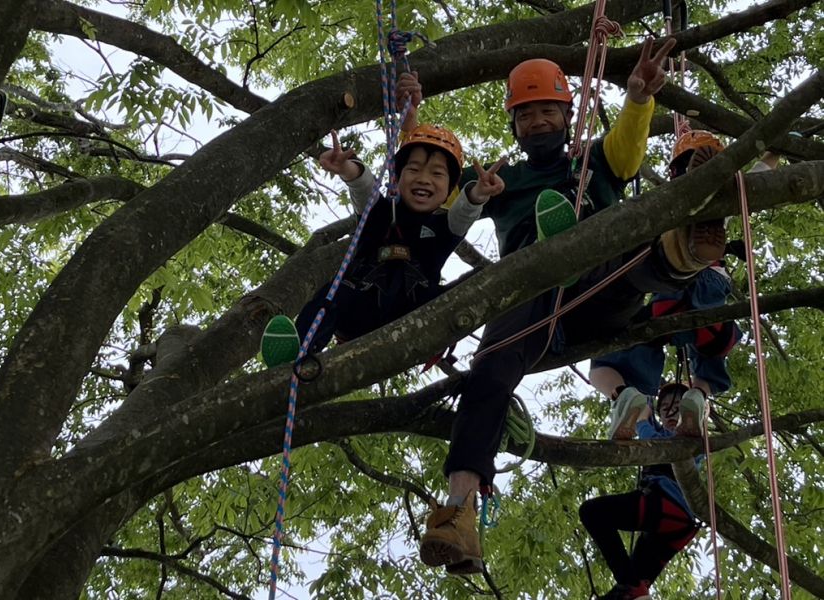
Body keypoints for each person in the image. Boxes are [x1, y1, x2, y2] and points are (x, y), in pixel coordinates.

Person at [394, 38, 736, 576]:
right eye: (525, 115)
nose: (536, 122)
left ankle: (683, 249)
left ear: (566, 114)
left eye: (546, 111)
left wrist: (640, 99)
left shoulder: (593, 160)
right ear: (514, 125)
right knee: (490, 369)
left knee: (627, 242)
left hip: (598, 291)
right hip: (531, 300)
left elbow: (625, 149)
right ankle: (457, 514)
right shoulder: (500, 180)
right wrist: (410, 122)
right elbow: (427, 185)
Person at [261, 125, 506, 366]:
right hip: (361, 311)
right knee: (332, 293)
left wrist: (478, 193)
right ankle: (297, 353)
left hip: (420, 315)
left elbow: (464, 212)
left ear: (450, 190)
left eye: (437, 174)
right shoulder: (380, 213)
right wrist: (348, 168)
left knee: (483, 278)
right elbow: (364, 189)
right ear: (397, 179)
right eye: (414, 169)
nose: (424, 179)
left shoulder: (444, 226)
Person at [593, 138, 780, 440]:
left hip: (669, 292)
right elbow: (758, 174)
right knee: (710, 362)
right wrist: (776, 149)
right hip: (712, 295)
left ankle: (625, 394)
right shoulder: (729, 200)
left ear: (673, 173)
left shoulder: (660, 207)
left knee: (606, 361)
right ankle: (698, 395)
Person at [579, 383, 702, 600]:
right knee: (628, 589)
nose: (670, 412)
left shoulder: (692, 438)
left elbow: (658, 446)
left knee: (592, 512)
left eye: (677, 408)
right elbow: (642, 410)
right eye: (664, 408)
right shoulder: (659, 430)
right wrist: (638, 407)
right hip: (673, 523)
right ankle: (634, 592)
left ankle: (633, 589)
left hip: (667, 506)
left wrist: (643, 422)